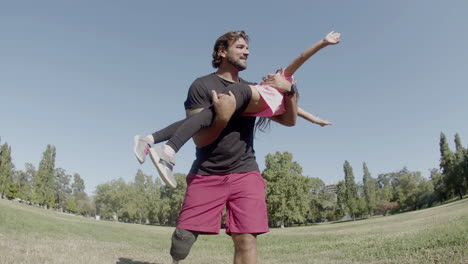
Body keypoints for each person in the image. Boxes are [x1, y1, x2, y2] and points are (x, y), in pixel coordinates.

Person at [134, 31, 339, 189]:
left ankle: (150, 139)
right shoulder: (275, 82)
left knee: (207, 115)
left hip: (244, 153)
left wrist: (314, 119)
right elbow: (302, 57)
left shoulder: (282, 95)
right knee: (211, 114)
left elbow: (296, 111)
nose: (268, 76)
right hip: (240, 104)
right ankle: (168, 151)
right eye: (240, 47)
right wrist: (323, 43)